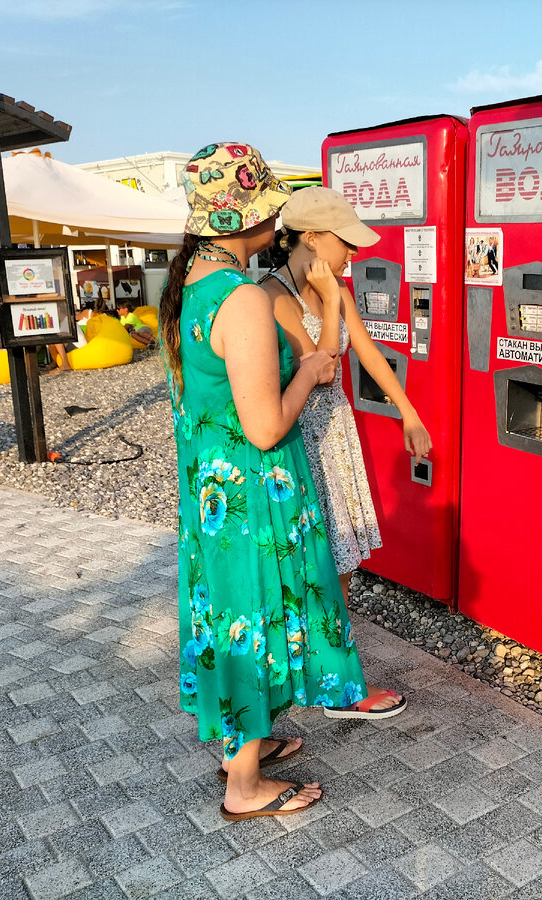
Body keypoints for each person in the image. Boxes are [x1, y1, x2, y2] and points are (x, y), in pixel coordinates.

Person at [161, 143, 370, 820]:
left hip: (213, 500)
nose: (277, 222)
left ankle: (240, 746)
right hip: (253, 501)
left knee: (226, 619)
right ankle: (244, 786)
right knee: (252, 616)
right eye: (271, 209)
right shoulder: (242, 298)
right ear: (247, 218)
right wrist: (308, 372)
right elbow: (262, 427)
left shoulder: (187, 288)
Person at [260, 186, 431, 719]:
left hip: (334, 436)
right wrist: (331, 302)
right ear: (310, 237)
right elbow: (324, 366)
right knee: (315, 562)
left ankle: (330, 671)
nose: (353, 255)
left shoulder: (333, 286)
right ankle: (333, 683)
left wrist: (409, 411)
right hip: (297, 443)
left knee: (343, 558)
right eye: (346, 243)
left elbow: (369, 353)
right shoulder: (267, 296)